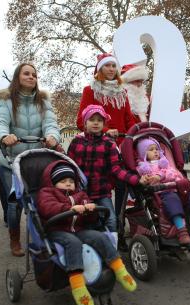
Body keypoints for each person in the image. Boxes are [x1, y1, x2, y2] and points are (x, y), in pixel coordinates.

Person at [37, 161, 137, 305]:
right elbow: (47, 208)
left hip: (78, 229)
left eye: (71, 181)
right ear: (53, 183)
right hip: (57, 231)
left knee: (100, 237)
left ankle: (119, 269)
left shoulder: (81, 194)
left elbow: (91, 220)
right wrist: (68, 208)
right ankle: (77, 285)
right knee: (73, 243)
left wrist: (92, 210)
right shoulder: (47, 193)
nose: (68, 184)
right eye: (63, 181)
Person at [0, 62, 61, 257]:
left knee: (42, 201)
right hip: (12, 162)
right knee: (14, 204)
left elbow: (50, 123)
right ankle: (14, 238)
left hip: (36, 161)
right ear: (17, 77)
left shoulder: (43, 102)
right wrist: (4, 136)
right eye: (26, 74)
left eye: (34, 75)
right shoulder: (6, 101)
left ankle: (43, 237)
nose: (31, 77)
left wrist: (52, 136)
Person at [76, 53, 137, 245]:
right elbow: (81, 120)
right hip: (97, 147)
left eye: (114, 66)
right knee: (98, 189)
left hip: (120, 146)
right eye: (107, 66)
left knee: (122, 187)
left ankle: (117, 227)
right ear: (100, 69)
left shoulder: (122, 92)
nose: (111, 69)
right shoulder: (90, 91)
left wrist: (136, 132)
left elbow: (129, 119)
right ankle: (94, 227)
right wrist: (104, 129)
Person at [68, 105, 148, 247]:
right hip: (81, 193)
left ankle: (112, 250)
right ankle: (88, 250)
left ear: (104, 124)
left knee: (111, 220)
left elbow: (116, 169)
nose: (96, 123)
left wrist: (137, 179)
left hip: (102, 193)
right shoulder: (76, 142)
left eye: (100, 120)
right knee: (85, 222)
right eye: (92, 120)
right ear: (85, 123)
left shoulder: (109, 144)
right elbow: (70, 167)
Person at [136, 137, 190, 244]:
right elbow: (144, 181)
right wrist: (145, 180)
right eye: (151, 149)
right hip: (162, 193)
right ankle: (181, 230)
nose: (155, 151)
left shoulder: (165, 164)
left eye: (157, 149)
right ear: (143, 153)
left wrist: (161, 175)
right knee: (173, 201)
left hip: (176, 188)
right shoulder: (144, 168)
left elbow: (174, 174)